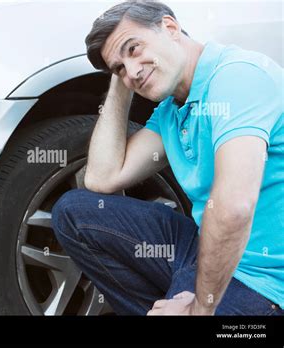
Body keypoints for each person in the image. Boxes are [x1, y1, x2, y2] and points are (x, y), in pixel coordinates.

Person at [52, 0, 283, 315]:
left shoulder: (236, 78)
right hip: (205, 246)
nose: (131, 71)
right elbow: (102, 178)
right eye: (119, 68)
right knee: (73, 212)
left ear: (170, 28)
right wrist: (121, 85)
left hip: (266, 280)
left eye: (133, 48)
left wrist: (199, 309)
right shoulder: (171, 111)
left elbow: (233, 208)